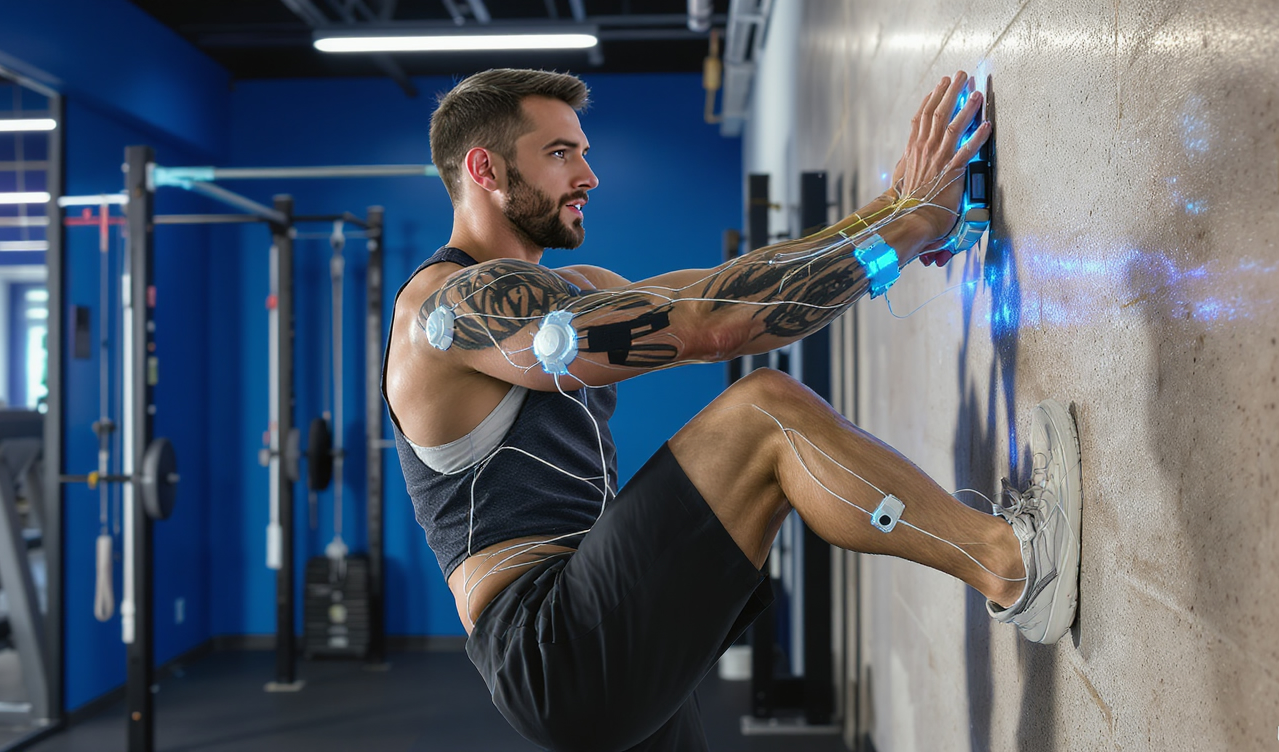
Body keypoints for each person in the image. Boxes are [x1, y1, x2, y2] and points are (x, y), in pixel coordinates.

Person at [380, 68, 1082, 752]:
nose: (588, 176)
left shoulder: (571, 289)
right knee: (764, 419)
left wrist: (897, 211)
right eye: (560, 154)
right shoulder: (450, 307)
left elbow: (727, 298)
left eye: (584, 154)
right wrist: (909, 223)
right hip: (550, 638)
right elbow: (718, 328)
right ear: (486, 169)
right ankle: (1012, 564)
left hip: (596, 607)